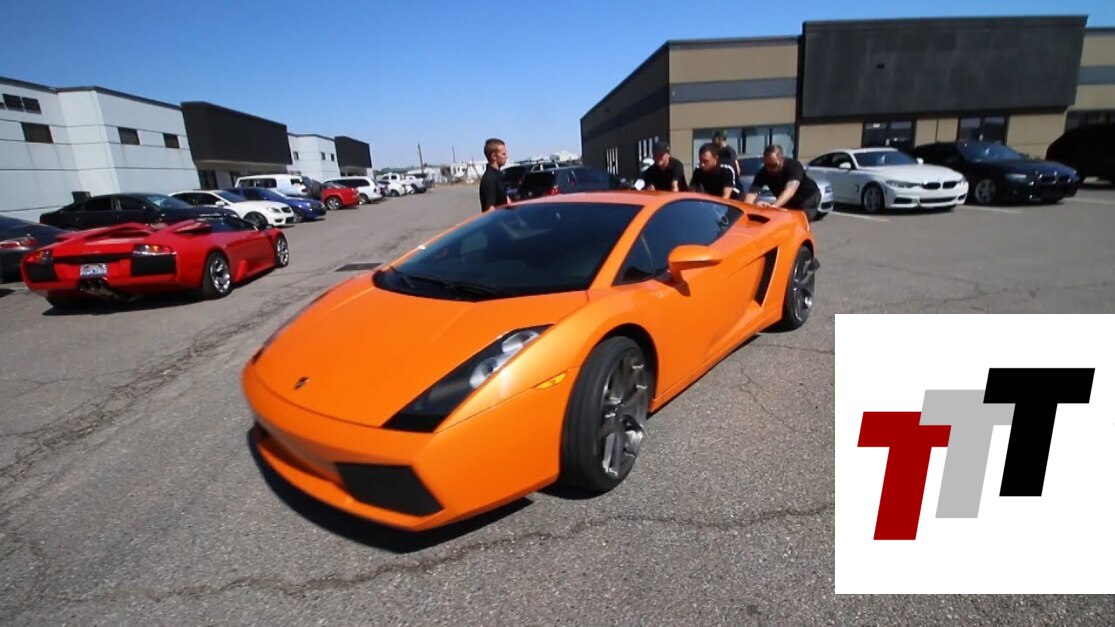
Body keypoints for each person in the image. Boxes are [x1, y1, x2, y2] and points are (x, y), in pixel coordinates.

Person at [744, 144, 821, 216]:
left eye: (773, 166)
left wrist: (774, 206)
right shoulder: (763, 173)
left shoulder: (793, 166)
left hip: (808, 198)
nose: (769, 169)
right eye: (766, 165)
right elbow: (752, 193)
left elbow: (790, 190)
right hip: (790, 201)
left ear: (782, 159)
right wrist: (746, 209)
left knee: (799, 219)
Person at [478, 138, 509, 212]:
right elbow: (490, 210)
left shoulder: (498, 175)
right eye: (503, 154)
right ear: (494, 156)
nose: (507, 156)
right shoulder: (490, 179)